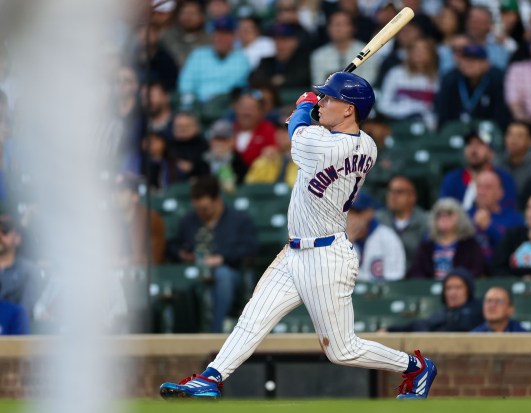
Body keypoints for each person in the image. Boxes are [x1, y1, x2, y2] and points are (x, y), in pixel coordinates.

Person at [160, 72, 437, 400]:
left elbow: (300, 132)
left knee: (342, 350)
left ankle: (415, 366)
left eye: (329, 98)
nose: (322, 102)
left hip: (326, 257)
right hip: (295, 252)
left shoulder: (325, 146)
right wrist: (310, 109)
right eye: (322, 97)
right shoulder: (368, 145)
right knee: (253, 317)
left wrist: (305, 106)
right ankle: (211, 378)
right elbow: (308, 130)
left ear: (349, 109)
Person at [166, 177, 257, 333]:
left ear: (217, 201)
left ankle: (215, 333)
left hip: (228, 272)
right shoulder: (189, 220)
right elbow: (172, 245)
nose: (201, 213)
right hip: (195, 271)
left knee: (223, 275)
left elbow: (250, 247)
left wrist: (222, 258)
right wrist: (182, 254)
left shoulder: (238, 219)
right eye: (198, 209)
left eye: (206, 209)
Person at [435, 43, 511, 130]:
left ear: (486, 63)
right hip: (456, 127)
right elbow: (443, 112)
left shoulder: (497, 79)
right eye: (465, 59)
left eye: (475, 60)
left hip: (487, 128)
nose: (469, 64)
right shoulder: (450, 79)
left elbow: (501, 113)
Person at [178, 15, 250, 103]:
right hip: (197, 106)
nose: (221, 38)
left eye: (226, 34)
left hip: (226, 106)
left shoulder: (241, 59)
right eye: (218, 33)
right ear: (212, 35)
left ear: (234, 37)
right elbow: (185, 85)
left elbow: (238, 89)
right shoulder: (198, 55)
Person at [439, 129, 518, 210]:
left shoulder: (503, 179)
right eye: (469, 144)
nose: (473, 149)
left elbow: (509, 212)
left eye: (480, 144)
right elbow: (444, 210)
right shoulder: (452, 179)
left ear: (491, 152)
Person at [386, 267, 484, 332]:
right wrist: (390, 330)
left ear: (469, 290)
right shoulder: (442, 313)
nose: (453, 293)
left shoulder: (480, 309)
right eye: (448, 288)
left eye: (458, 287)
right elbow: (420, 326)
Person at [409, 197, 486, 279]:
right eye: (439, 214)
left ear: (460, 217)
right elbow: (416, 273)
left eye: (449, 213)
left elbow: (477, 270)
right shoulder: (426, 247)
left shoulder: (470, 245)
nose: (444, 217)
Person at [377, 38, 440, 128]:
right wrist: (408, 111)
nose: (419, 53)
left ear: (431, 54)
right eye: (415, 49)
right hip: (397, 123)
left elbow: (439, 110)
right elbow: (383, 105)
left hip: (426, 127)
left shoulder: (438, 78)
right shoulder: (395, 73)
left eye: (424, 50)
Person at [376, 176, 429, 276]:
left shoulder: (426, 222)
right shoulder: (377, 220)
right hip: (384, 277)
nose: (393, 196)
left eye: (399, 192)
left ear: (412, 197)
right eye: (390, 191)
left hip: (416, 279)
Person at [347, 192, 406, 281]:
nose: (351, 217)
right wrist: (347, 244)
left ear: (369, 213)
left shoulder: (388, 238)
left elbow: (395, 279)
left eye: (357, 212)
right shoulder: (337, 240)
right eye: (348, 212)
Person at [310, 10, 379, 86]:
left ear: (352, 28)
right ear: (328, 29)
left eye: (341, 24)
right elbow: (318, 85)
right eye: (334, 24)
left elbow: (369, 81)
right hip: (330, 96)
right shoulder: (318, 55)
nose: (337, 29)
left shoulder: (366, 51)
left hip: (359, 95)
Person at [469, 170, 524, 262]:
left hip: (502, 272)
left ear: (500, 192)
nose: (482, 192)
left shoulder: (514, 219)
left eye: (488, 187)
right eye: (479, 187)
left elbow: (515, 249)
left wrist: (489, 226)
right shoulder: (464, 216)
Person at [113, 174, 166, 265]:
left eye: (122, 192)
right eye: (114, 192)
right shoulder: (109, 222)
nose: (116, 196)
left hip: (144, 277)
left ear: (135, 197)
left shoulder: (151, 218)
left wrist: (126, 262)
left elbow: (154, 258)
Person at [244, 123, 297, 188]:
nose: (282, 135)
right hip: (267, 196)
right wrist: (266, 161)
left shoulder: (303, 159)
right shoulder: (266, 159)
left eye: (286, 132)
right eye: (279, 132)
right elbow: (250, 183)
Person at [496, 121, 531, 197]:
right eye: (510, 135)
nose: (513, 139)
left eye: (519, 136)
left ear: (530, 141)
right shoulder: (496, 162)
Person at [160, 0, 210, 67]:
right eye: (184, 13)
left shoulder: (209, 41)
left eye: (192, 13)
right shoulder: (167, 37)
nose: (188, 17)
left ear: (201, 17)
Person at [204, 119, 248, 194]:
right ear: (210, 142)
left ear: (232, 142)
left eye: (223, 139)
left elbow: (242, 186)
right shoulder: (202, 162)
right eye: (216, 139)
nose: (219, 144)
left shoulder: (239, 163)